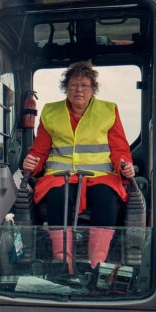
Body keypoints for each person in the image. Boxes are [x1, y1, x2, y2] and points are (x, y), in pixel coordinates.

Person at [22, 62, 135, 275]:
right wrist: (31, 162)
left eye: (84, 85)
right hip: (60, 176)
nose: (79, 90)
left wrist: (125, 165)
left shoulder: (108, 111)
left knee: (107, 197)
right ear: (66, 87)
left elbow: (119, 148)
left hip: (101, 176)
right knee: (58, 196)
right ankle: (63, 265)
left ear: (93, 89)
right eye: (74, 85)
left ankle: (97, 265)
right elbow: (40, 149)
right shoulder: (50, 112)